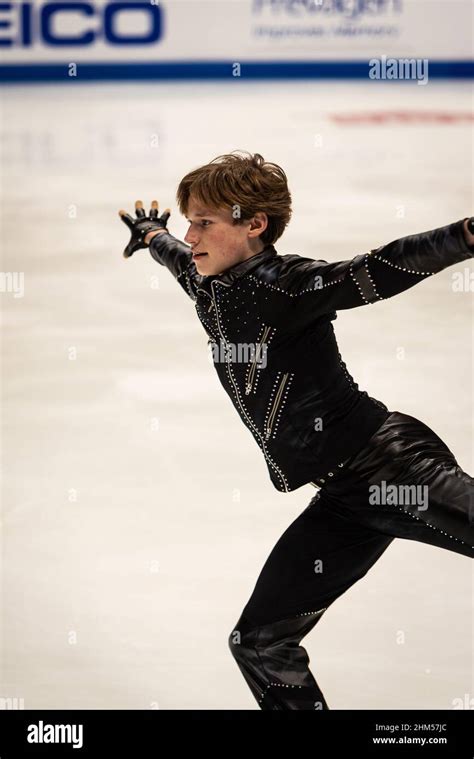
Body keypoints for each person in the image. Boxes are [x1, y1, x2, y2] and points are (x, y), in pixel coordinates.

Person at [118, 150, 474, 710]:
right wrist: (152, 233)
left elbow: (378, 267)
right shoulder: (204, 277)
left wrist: (466, 235)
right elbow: (172, 254)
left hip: (391, 468)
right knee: (260, 643)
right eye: (189, 222)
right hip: (341, 498)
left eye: (204, 223)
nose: (191, 236)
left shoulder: (287, 286)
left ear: (253, 224)